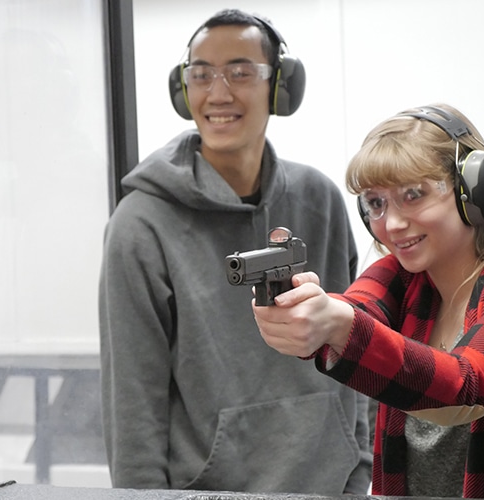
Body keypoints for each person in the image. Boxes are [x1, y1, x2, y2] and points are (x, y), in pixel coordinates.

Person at [98, 8, 372, 495]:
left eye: (241, 72)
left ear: (280, 87)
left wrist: (359, 469)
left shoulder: (321, 200)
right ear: (183, 90)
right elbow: (133, 405)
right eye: (201, 74)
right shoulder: (140, 225)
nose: (218, 93)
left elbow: (356, 343)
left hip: (330, 487)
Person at [253, 104, 484, 499]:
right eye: (376, 203)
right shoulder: (401, 277)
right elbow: (356, 311)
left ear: (474, 189)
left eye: (413, 195)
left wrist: (338, 324)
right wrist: (306, 313)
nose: (392, 224)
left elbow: (467, 388)